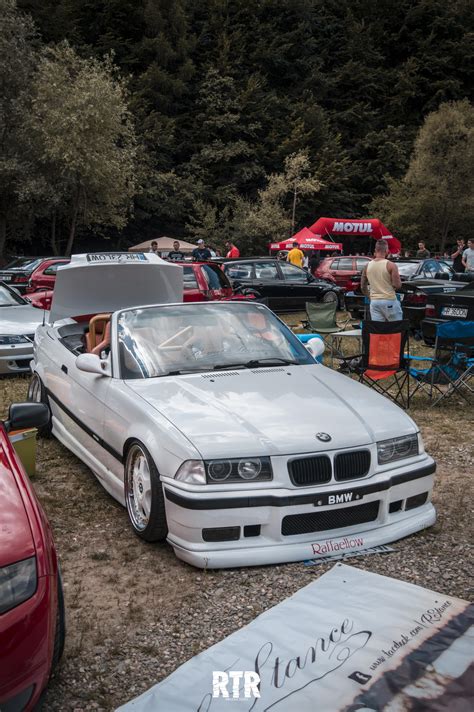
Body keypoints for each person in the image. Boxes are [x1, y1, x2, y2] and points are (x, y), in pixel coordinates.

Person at [361, 239, 402, 322]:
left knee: (378, 330)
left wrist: (370, 296)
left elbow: (362, 287)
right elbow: (397, 285)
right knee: (395, 328)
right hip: (389, 300)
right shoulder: (391, 265)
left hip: (374, 302)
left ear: (375, 250)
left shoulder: (367, 266)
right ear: (387, 251)